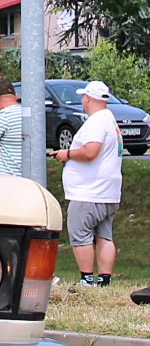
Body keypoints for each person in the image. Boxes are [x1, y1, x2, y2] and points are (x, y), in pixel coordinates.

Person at [52, 80, 123, 287]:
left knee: (80, 233)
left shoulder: (96, 121)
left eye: (84, 96)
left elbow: (91, 151)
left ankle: (86, 279)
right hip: (108, 191)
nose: (83, 100)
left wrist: (67, 154)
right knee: (104, 236)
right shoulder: (109, 119)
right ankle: (104, 281)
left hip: (89, 192)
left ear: (89, 99)